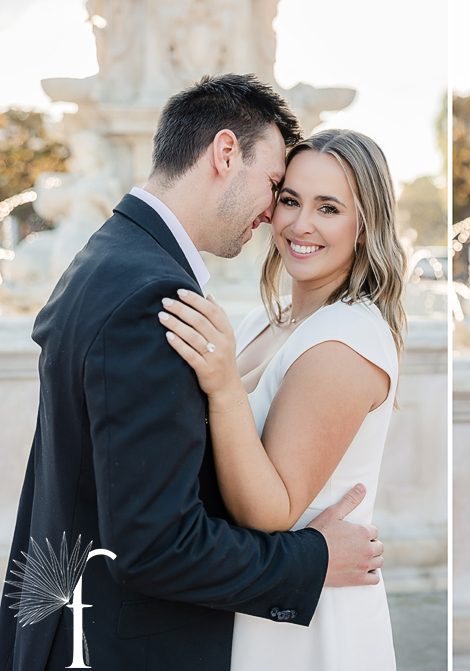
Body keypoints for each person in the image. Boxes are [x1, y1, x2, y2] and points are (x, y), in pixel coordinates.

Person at [0, 75, 382, 671]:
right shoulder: (152, 294)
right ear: (226, 154)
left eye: (326, 206)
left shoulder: (109, 255)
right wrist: (311, 561)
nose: (276, 214)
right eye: (278, 188)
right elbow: (155, 545)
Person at [157, 128, 406, 669]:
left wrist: (223, 384)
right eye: (289, 200)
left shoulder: (346, 340)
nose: (301, 224)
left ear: (366, 225)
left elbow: (270, 511)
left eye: (329, 208)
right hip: (260, 599)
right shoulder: (260, 323)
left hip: (312, 626)